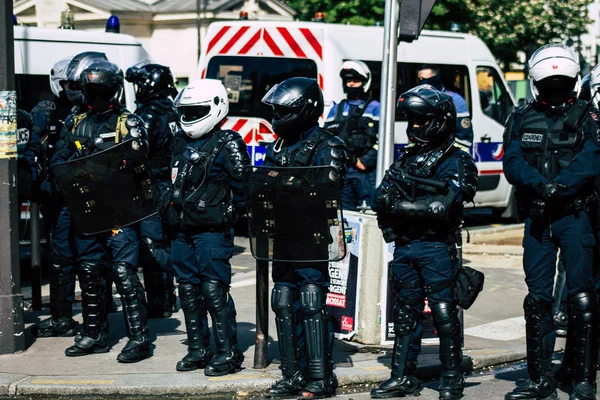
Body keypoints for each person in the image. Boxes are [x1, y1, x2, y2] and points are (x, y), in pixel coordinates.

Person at [503, 44, 600, 400]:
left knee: (582, 298)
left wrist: (560, 187)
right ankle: (540, 379)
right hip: (539, 218)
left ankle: (582, 379)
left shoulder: (590, 116)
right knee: (538, 300)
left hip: (575, 216)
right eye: (550, 84)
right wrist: (541, 186)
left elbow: (593, 158)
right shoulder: (521, 116)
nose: (555, 91)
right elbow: (512, 162)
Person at [370, 84, 477, 400]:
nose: (414, 127)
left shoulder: (456, 159)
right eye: (412, 121)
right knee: (405, 313)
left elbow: (443, 207)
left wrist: (401, 206)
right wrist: (404, 211)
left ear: (439, 120)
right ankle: (402, 376)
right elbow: (379, 197)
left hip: (436, 248)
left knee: (444, 313)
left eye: (421, 120)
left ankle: (451, 379)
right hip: (405, 246)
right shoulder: (406, 158)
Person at [53, 60, 152, 363]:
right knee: (90, 271)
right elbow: (59, 160)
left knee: (123, 271)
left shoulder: (128, 121)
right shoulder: (74, 122)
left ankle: (139, 338)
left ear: (114, 90)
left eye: (101, 90)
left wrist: (132, 153)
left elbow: (141, 156)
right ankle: (94, 333)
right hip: (87, 207)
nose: (96, 95)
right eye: (92, 90)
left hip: (120, 208)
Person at [259, 77, 347, 399]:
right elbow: (263, 185)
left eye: (284, 111)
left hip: (312, 238)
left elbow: (327, 189)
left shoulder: (329, 145)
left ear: (306, 109)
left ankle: (320, 377)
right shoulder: (278, 146)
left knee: (311, 303)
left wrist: (286, 188)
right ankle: (291, 374)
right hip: (281, 238)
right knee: (282, 301)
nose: (277, 116)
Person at [158, 79, 249, 375]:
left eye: (196, 110)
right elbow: (166, 177)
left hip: (211, 230)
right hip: (181, 229)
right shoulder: (180, 140)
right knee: (187, 288)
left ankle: (227, 353)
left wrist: (232, 216)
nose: (190, 116)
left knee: (213, 289)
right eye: (187, 110)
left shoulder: (228, 142)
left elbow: (244, 189)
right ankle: (199, 349)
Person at [35, 53, 110, 338]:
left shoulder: (103, 114)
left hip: (94, 199)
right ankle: (63, 318)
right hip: (63, 197)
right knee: (62, 258)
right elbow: (50, 154)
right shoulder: (53, 111)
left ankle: (97, 327)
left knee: (94, 263)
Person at [125, 62, 180, 319]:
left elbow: (138, 153)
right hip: (169, 184)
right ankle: (168, 298)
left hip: (151, 185)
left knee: (152, 244)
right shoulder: (173, 110)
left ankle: (159, 302)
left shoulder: (148, 115)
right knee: (165, 243)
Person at [324, 60, 379, 210]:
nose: (351, 84)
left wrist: (366, 161)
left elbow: (382, 140)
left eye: (356, 81)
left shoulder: (375, 108)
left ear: (364, 82)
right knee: (344, 214)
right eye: (349, 81)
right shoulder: (336, 109)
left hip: (364, 173)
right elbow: (326, 138)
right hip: (341, 171)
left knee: (367, 213)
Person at [417, 64, 473, 150]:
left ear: (436, 78)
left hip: (448, 156)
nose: (422, 82)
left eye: (425, 79)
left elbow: (464, 137)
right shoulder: (417, 100)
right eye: (419, 79)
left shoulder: (455, 100)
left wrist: (448, 155)